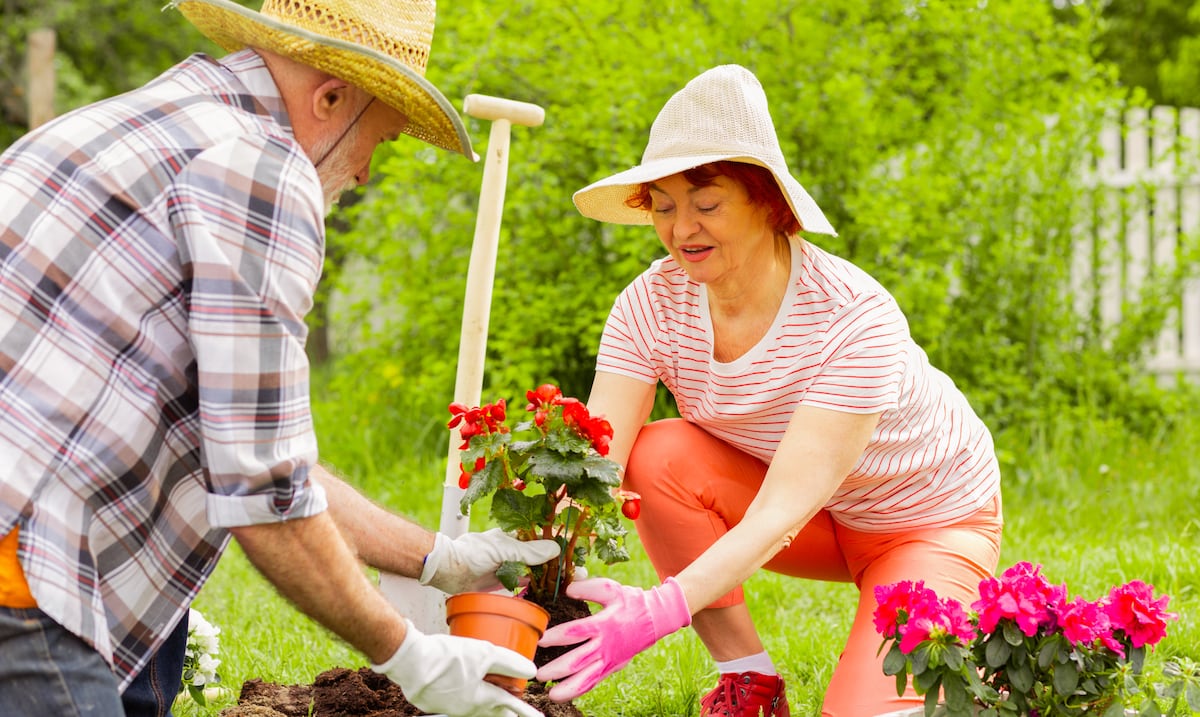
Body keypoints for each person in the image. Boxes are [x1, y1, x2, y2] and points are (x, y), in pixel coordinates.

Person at [0, 0, 561, 716]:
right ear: (331, 98)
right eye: (381, 140)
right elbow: (267, 495)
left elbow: (246, 447)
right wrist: (412, 656)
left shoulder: (138, 124)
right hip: (20, 560)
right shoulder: (264, 169)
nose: (365, 174)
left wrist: (437, 559)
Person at [535, 64, 1004, 717]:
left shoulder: (852, 317)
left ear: (770, 203)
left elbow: (780, 510)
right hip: (824, 521)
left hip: (924, 522)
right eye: (664, 207)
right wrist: (534, 564)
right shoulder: (651, 304)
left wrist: (657, 610)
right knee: (657, 454)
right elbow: (598, 460)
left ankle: (987, 669)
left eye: (706, 204)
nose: (682, 229)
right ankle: (750, 684)